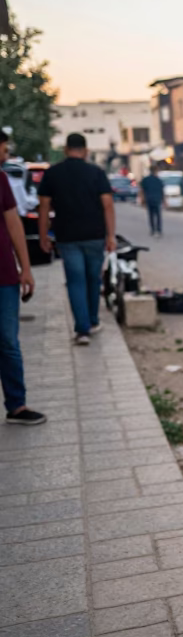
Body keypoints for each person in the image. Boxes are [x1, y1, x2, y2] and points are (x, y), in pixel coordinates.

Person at [37, 133, 116, 345]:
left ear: (65, 149)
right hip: (95, 235)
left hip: (67, 236)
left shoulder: (53, 174)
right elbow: (107, 205)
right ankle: (92, 320)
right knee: (93, 279)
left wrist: (43, 235)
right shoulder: (97, 173)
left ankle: (82, 330)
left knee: (75, 281)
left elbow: (43, 207)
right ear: (86, 150)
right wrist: (111, 235)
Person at [0, 133, 45, 425]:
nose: (6, 149)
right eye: (3, 145)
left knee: (7, 342)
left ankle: (17, 405)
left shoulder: (1, 180)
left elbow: (14, 223)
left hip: (4, 274)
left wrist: (25, 267)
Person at [139, 166, 165, 237]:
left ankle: (153, 229)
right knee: (158, 215)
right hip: (157, 200)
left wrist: (142, 199)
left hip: (149, 199)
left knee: (151, 215)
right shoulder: (159, 180)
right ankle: (159, 229)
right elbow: (162, 191)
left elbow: (142, 190)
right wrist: (164, 201)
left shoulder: (145, 180)